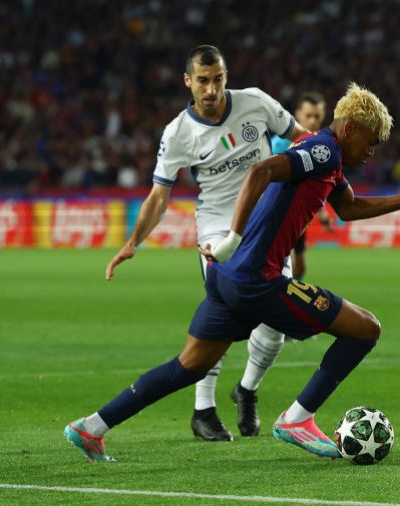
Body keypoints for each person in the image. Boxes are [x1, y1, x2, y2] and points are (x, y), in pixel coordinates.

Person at [65, 83, 400, 462]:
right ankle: (297, 418)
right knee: (366, 329)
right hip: (257, 281)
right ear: (349, 129)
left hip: (228, 278)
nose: (371, 151)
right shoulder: (324, 151)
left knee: (187, 366)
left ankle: (92, 427)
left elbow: (348, 208)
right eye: (371, 141)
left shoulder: (325, 156)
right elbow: (260, 171)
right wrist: (233, 237)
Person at [103, 45, 308, 442]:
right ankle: (203, 410)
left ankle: (246, 390)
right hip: (217, 229)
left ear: (226, 77)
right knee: (224, 319)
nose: (211, 89)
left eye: (218, 79)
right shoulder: (179, 132)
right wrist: (133, 242)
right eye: (202, 81)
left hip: (267, 223)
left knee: (274, 325)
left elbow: (301, 138)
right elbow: (159, 197)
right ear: (188, 82)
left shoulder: (255, 102)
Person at [271, 91, 335, 279]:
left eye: (317, 116)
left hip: (297, 215)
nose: (313, 121)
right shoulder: (280, 144)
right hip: (277, 213)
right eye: (308, 116)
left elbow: (314, 183)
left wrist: (322, 215)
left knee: (299, 269)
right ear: (297, 114)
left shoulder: (318, 145)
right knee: (283, 269)